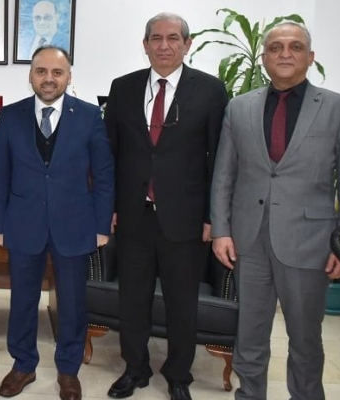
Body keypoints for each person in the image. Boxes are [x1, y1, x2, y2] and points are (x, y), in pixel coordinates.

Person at [211, 22, 340, 400]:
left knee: (305, 339)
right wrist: (221, 230)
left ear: (310, 57)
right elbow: (224, 175)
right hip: (249, 241)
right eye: (276, 47)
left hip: (310, 242)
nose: (285, 53)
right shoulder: (239, 107)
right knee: (249, 334)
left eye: (295, 47)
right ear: (264, 57)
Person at [104, 12, 228, 400]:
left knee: (181, 303)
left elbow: (220, 159)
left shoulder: (210, 90)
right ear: (145, 45)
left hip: (186, 219)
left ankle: (178, 376)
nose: (164, 45)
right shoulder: (122, 88)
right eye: (155, 38)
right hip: (134, 215)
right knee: (132, 299)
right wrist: (108, 207)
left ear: (187, 44)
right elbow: (110, 154)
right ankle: (135, 368)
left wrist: (212, 217)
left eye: (173, 38)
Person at [0, 46, 114, 400]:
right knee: (22, 300)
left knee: (72, 303)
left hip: (75, 224)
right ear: (30, 76)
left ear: (68, 77)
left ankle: (68, 371)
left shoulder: (89, 116)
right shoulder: (11, 116)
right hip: (22, 223)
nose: (48, 79)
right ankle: (23, 365)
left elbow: (104, 174)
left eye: (57, 72)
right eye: (41, 71)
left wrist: (101, 226)